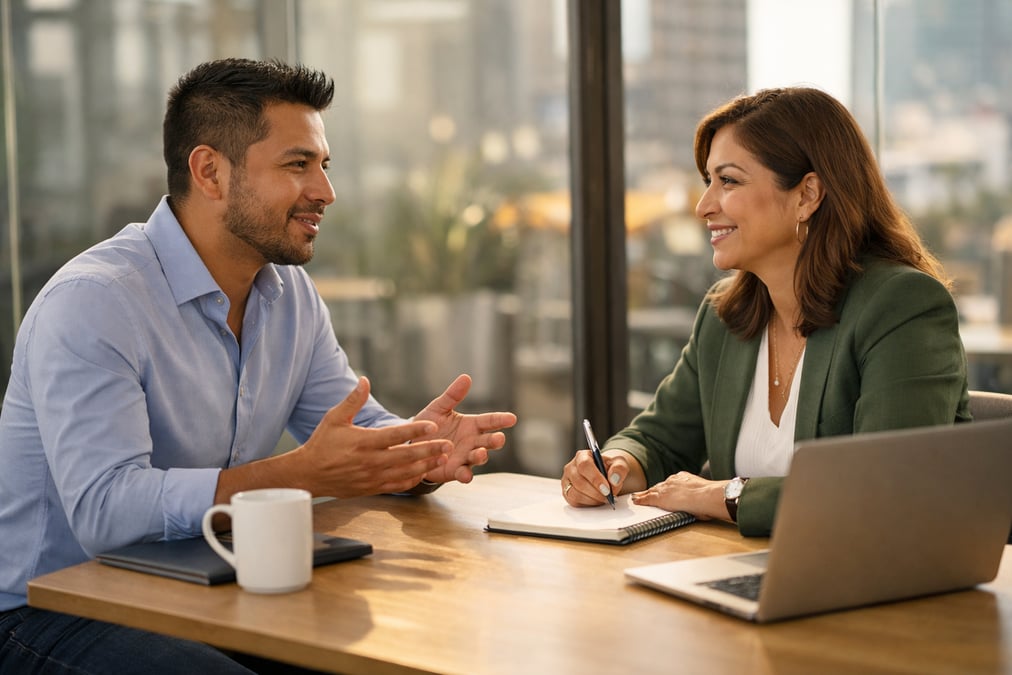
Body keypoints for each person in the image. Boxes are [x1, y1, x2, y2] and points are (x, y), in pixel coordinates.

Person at [0, 58, 516, 674]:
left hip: (203, 584)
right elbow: (106, 513)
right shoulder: (95, 301)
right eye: (298, 165)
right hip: (49, 610)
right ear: (210, 172)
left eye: (324, 166)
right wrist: (300, 474)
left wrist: (416, 453)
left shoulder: (288, 297)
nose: (325, 191)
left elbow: (352, 435)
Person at [561, 86, 970, 537]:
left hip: (878, 591)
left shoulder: (901, 306)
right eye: (707, 181)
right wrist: (617, 465)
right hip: (745, 574)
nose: (704, 206)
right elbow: (658, 439)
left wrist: (722, 496)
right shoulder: (724, 316)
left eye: (729, 181)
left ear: (807, 194)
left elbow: (884, 488)